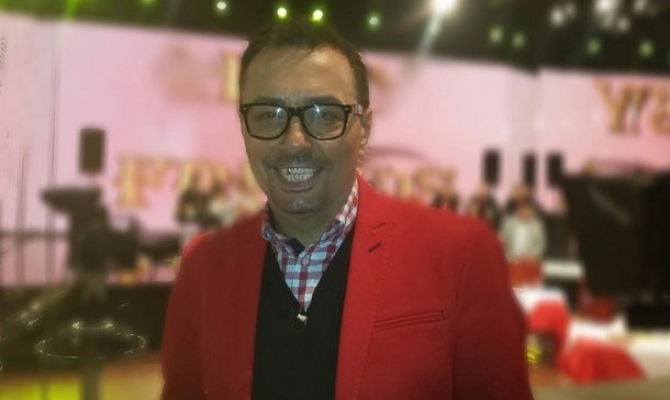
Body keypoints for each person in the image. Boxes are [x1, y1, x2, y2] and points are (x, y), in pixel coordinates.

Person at [162, 20, 532, 400]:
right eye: (268, 114)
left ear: (364, 129)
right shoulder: (204, 268)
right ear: (244, 127)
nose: (294, 142)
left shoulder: (459, 254)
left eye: (324, 114)